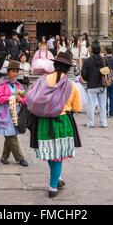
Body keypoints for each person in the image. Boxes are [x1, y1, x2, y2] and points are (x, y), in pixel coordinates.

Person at [28, 52, 82, 198]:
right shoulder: (72, 86)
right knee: (57, 156)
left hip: (43, 121)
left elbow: (31, 98)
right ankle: (52, 187)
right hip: (62, 121)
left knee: (51, 154)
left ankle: (57, 178)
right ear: (68, 69)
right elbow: (77, 108)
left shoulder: (42, 80)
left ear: (55, 65)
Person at [0, 60, 29, 167]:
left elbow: (24, 99)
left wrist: (20, 99)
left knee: (10, 134)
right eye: (13, 71)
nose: (15, 73)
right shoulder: (1, 84)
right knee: (11, 135)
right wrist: (11, 98)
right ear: (8, 71)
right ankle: (20, 158)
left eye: (17, 71)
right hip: (4, 113)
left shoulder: (18, 85)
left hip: (15, 113)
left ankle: (4, 157)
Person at [81, 43, 108, 128]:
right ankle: (103, 123)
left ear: (91, 51)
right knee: (103, 105)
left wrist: (88, 79)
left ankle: (90, 123)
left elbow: (83, 74)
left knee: (91, 105)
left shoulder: (87, 61)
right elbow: (107, 71)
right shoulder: (104, 60)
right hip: (102, 85)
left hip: (92, 85)